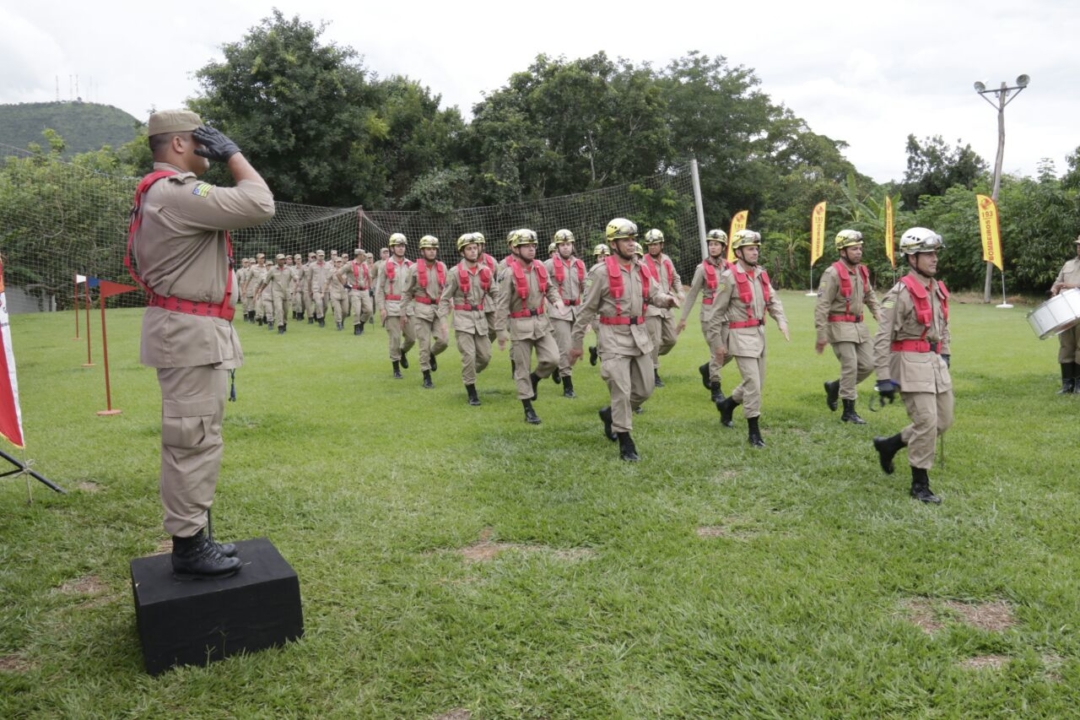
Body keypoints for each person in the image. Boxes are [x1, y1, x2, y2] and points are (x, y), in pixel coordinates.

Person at [129, 109, 274, 577]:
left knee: (197, 436)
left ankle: (196, 537)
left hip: (191, 331)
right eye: (200, 138)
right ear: (178, 145)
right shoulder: (176, 191)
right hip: (187, 333)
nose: (208, 146)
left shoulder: (167, 193)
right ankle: (189, 547)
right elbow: (260, 203)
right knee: (191, 440)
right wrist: (233, 154)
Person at [570, 219, 679, 461]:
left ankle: (611, 414)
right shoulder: (599, 273)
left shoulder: (642, 269)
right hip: (612, 337)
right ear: (613, 244)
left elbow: (654, 294)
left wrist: (667, 300)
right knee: (621, 389)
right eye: (625, 240)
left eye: (633, 239)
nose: (631, 244)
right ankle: (625, 441)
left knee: (645, 389)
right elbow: (586, 310)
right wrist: (576, 343)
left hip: (639, 335)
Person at [872, 227, 952, 504]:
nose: (934, 258)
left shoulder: (935, 288)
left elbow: (943, 325)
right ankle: (920, 485)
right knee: (927, 422)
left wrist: (945, 353)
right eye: (927, 254)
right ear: (912, 258)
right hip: (909, 365)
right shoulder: (900, 294)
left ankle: (890, 444)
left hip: (934, 362)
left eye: (935, 253)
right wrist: (883, 377)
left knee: (943, 420)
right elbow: (882, 337)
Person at [712, 230, 790, 447]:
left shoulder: (761, 274)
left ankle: (727, 405)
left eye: (756, 248)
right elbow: (716, 313)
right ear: (738, 252)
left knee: (757, 383)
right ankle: (754, 432)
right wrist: (717, 344)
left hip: (759, 335)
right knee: (753, 384)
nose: (755, 252)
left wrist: (781, 321)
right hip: (740, 336)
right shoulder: (729, 277)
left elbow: (773, 300)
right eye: (750, 249)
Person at [494, 229, 564, 424]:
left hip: (541, 322)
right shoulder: (508, 273)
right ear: (516, 249)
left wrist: (557, 300)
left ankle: (536, 378)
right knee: (522, 369)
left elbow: (549, 288)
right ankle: (528, 408)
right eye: (526, 246)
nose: (532, 249)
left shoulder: (540, 267)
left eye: (533, 246)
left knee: (553, 359)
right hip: (520, 325)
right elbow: (501, 304)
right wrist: (500, 331)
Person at [814, 230, 882, 423]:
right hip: (839, 327)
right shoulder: (832, 273)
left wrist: (879, 315)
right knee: (850, 366)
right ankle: (849, 412)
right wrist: (821, 335)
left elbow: (870, 296)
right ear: (842, 251)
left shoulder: (861, 271)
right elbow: (822, 306)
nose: (858, 252)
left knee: (869, 364)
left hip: (859, 326)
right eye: (854, 249)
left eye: (860, 248)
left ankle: (835, 387)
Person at [438, 233, 496, 405]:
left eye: (475, 248)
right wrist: (443, 321)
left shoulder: (486, 271)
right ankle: (471, 391)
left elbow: (496, 293)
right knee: (469, 355)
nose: (473, 251)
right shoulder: (455, 272)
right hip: (462, 319)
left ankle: (469, 372)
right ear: (462, 252)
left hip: (481, 318)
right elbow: (444, 299)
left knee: (485, 357)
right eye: (469, 249)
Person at [678, 229, 731, 403]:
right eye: (711, 244)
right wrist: (683, 318)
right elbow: (692, 294)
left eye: (716, 244)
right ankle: (716, 389)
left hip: (727, 316)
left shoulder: (730, 267)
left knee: (731, 351)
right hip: (709, 316)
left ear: (723, 247)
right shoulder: (702, 269)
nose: (713, 247)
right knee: (718, 352)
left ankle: (707, 369)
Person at [404, 235, 450, 388]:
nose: (432, 252)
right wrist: (403, 312)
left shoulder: (442, 267)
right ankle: (426, 375)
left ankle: (432, 354)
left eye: (434, 249)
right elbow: (407, 292)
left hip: (438, 310)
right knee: (424, 344)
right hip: (421, 311)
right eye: (428, 249)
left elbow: (448, 288)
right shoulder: (414, 269)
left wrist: (449, 302)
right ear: (422, 251)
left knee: (444, 341)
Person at [545, 229, 586, 398]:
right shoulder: (549, 264)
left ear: (572, 245)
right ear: (557, 246)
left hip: (577, 310)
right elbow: (544, 286)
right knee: (565, 347)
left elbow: (587, 285)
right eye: (562, 245)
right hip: (559, 311)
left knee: (575, 349)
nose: (566, 247)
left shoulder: (580, 264)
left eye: (568, 244)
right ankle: (568, 386)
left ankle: (557, 367)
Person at [642, 229, 683, 387]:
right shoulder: (642, 262)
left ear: (662, 245)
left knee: (672, 339)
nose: (652, 247)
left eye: (655, 244)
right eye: (650, 245)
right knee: (654, 340)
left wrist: (680, 291)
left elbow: (675, 278)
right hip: (652, 306)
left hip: (667, 305)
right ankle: (653, 372)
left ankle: (644, 358)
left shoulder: (667, 260)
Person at [376, 233, 416, 378]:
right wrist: (382, 308)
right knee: (395, 338)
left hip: (408, 306)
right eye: (398, 246)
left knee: (412, 338)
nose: (401, 248)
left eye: (403, 246)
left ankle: (403, 352)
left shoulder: (411, 265)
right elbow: (379, 288)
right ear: (392, 248)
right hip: (391, 306)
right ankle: (396, 368)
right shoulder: (384, 265)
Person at [1050, 234, 1080, 393]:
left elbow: (1068, 284)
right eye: (1078, 245)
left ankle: (1079, 385)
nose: (1079, 248)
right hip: (1065, 312)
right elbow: (1057, 282)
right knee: (1066, 347)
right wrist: (1054, 289)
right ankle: (1067, 385)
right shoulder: (1068, 264)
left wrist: (1071, 285)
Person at [255, 253, 292, 334]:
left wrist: (296, 280)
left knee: (285, 311)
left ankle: (284, 323)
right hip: (274, 294)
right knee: (278, 309)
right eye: (280, 259)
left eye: (283, 259)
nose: (282, 261)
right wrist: (260, 291)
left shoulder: (288, 269)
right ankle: (279, 326)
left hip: (286, 293)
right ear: (277, 260)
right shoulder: (271, 271)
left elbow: (293, 277)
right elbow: (265, 282)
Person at [587, 243, 610, 366]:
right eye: (600, 256)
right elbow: (587, 291)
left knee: (607, 339)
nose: (603, 259)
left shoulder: (614, 271)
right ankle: (605, 365)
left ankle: (595, 351)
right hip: (597, 313)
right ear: (596, 258)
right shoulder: (592, 273)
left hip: (610, 311)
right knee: (603, 338)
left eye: (606, 256)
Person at [343, 248, 373, 335]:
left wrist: (371, 288)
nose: (365, 257)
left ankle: (361, 323)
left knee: (369, 310)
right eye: (363, 255)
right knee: (357, 310)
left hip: (365, 290)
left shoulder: (365, 265)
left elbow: (369, 276)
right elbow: (339, 273)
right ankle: (356, 327)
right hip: (355, 290)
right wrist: (344, 284)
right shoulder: (350, 265)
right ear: (359, 255)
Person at [306, 250, 334, 327]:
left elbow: (331, 277)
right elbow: (309, 279)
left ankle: (317, 314)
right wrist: (310, 290)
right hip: (316, 288)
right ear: (316, 256)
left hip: (326, 288)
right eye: (319, 255)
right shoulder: (312, 266)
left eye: (322, 255)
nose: (321, 257)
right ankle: (321, 319)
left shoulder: (328, 265)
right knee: (318, 303)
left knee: (325, 306)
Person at [326, 256, 349, 330]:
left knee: (345, 311)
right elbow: (327, 282)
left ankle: (342, 321)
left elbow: (348, 281)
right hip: (335, 293)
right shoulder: (331, 271)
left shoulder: (345, 271)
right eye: (337, 262)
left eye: (340, 262)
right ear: (334, 263)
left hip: (344, 293)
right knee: (337, 310)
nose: (339, 263)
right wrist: (324, 291)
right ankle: (338, 323)